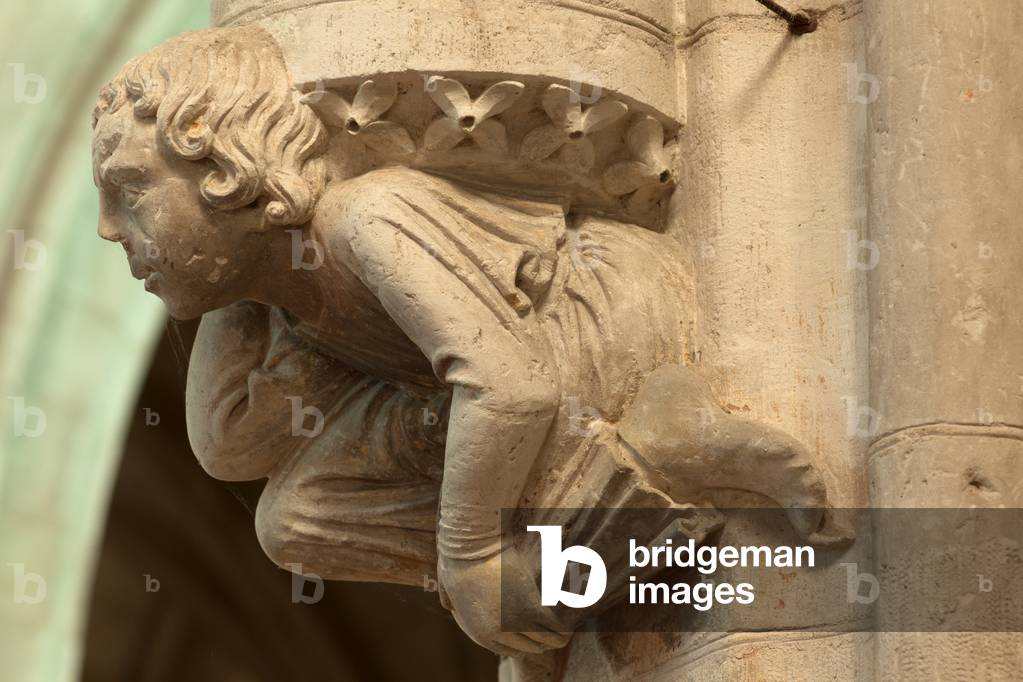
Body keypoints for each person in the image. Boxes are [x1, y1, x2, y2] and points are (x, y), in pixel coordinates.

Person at [92, 25, 844, 657]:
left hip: (596, 322)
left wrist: (469, 557)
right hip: (503, 396)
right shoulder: (280, 293)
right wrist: (234, 281)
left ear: (229, 167)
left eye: (129, 193)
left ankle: (658, 452)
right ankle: (576, 552)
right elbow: (227, 442)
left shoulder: (365, 216)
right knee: (293, 521)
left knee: (485, 547)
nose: (107, 229)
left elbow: (511, 386)